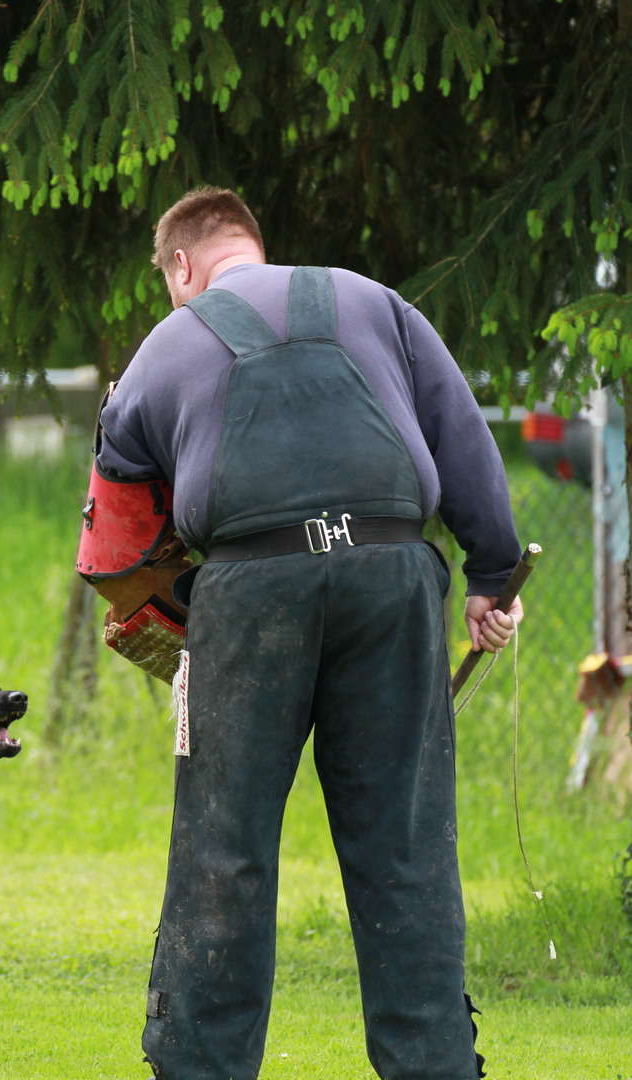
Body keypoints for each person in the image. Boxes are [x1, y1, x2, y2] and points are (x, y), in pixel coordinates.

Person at [95, 187, 523, 1080]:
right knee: (404, 846)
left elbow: (112, 545)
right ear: (253, 245)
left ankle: (199, 1065)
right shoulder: (377, 302)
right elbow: (459, 431)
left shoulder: (165, 344)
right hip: (393, 574)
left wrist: (169, 623)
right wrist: (491, 572)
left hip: (250, 589)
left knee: (225, 849)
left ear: (182, 266)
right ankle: (437, 1066)